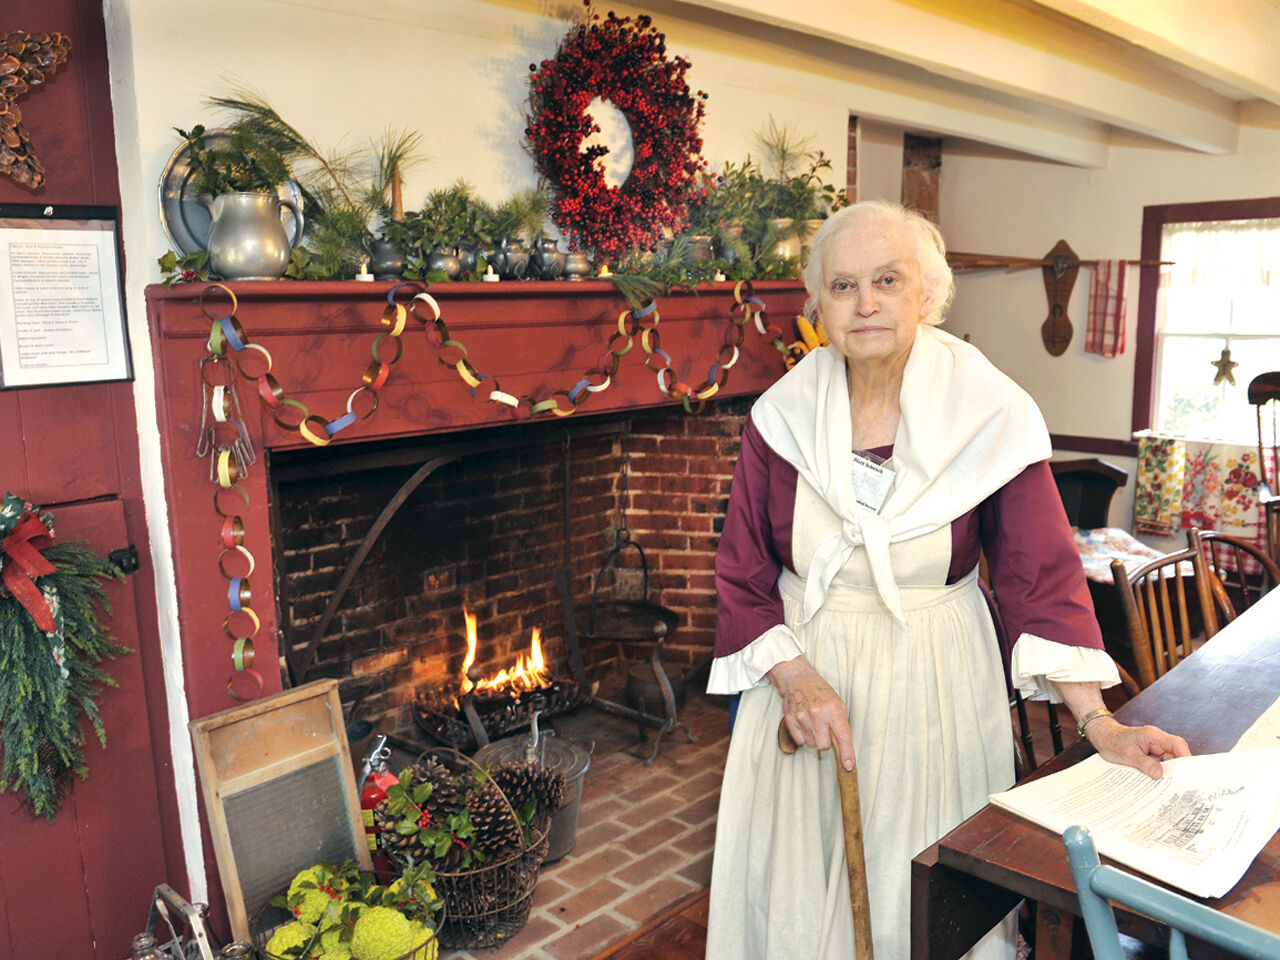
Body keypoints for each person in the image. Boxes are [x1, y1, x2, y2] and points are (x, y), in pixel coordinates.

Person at [704, 200, 1189, 960]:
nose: (865, 302)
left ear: (926, 295)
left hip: (932, 680)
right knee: (797, 881)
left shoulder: (987, 412)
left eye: (887, 280)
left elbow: (1039, 576)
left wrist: (1101, 725)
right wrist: (794, 678)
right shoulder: (780, 418)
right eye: (842, 285)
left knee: (918, 887)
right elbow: (741, 573)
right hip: (803, 680)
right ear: (818, 306)